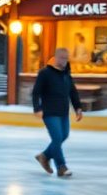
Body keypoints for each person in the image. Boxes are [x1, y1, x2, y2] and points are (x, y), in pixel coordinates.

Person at [31, 47, 84, 179]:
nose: (64, 60)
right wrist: (37, 108)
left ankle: (44, 156)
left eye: (66, 58)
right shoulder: (45, 73)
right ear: (55, 57)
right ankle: (61, 167)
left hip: (63, 112)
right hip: (49, 112)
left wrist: (78, 107)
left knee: (64, 136)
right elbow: (36, 92)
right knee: (57, 138)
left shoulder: (66, 74)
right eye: (61, 57)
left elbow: (72, 92)